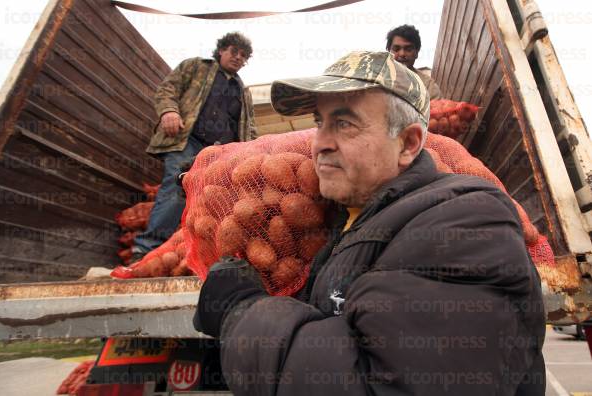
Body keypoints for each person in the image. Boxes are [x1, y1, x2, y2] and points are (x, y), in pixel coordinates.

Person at [194, 51, 545, 395]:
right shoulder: (350, 224)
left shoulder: (466, 224)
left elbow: (379, 383)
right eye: (320, 122)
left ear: (408, 144)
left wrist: (242, 315)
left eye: (344, 124)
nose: (319, 144)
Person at [132, 32, 257, 261]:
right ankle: (147, 248)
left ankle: (206, 257)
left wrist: (253, 152)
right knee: (177, 188)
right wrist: (169, 111)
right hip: (188, 141)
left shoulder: (243, 92)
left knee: (216, 202)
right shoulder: (196, 67)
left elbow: (249, 129)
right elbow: (167, 89)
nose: (238, 58)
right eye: (234, 51)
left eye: (244, 56)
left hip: (222, 154)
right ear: (221, 51)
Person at [386, 24, 442, 99]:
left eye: (408, 49)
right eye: (396, 49)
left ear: (417, 53)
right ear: (388, 52)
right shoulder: (374, 79)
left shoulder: (428, 85)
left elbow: (438, 108)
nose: (402, 54)